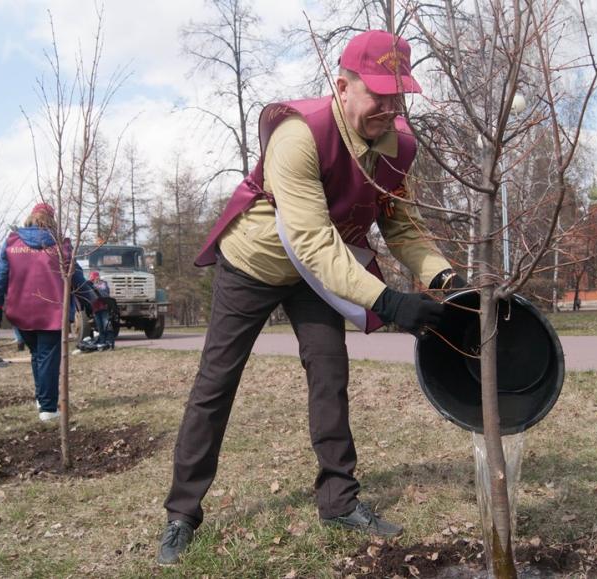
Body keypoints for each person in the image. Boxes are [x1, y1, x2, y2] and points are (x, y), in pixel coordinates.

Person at [157, 30, 464, 566]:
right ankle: (182, 513)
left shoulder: (399, 146)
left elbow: (403, 226)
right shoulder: (299, 135)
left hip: (319, 275)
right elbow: (311, 239)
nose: (389, 108)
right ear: (342, 86)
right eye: (378, 95)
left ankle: (339, 501)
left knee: (330, 375)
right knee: (216, 382)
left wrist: (445, 281)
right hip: (256, 261)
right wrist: (389, 303)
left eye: (399, 96)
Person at [0, 203, 95, 422]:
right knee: (47, 357)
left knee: (37, 355)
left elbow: (0, 277)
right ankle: (47, 407)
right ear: (52, 220)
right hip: (52, 310)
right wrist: (91, 300)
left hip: (20, 310)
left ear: (31, 217)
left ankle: (41, 398)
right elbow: (75, 277)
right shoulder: (61, 246)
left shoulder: (12, 243)